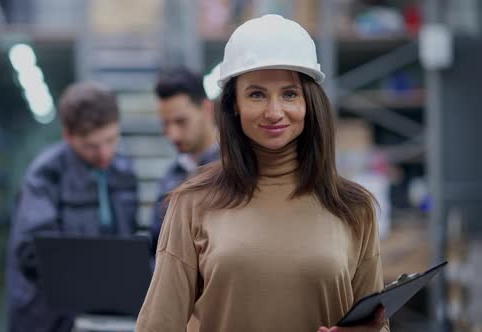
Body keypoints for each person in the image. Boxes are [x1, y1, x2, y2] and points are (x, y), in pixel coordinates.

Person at [135, 15, 389, 332]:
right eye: (256, 94)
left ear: (310, 102)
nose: (274, 111)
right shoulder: (192, 204)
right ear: (235, 105)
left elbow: (375, 325)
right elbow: (159, 325)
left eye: (289, 93)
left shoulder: (354, 207)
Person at [6, 82, 138, 332]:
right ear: (68, 136)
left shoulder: (124, 173)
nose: (104, 154)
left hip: (105, 314)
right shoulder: (44, 176)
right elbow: (34, 253)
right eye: (91, 145)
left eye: (111, 140)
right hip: (49, 319)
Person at [150, 66, 219, 254]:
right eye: (165, 124)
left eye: (181, 122)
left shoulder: (236, 168)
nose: (172, 135)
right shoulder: (169, 176)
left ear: (207, 109)